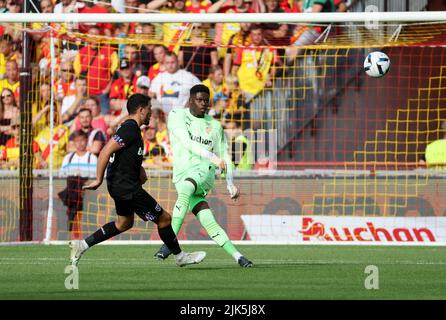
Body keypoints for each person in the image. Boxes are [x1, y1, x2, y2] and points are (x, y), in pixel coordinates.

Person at [69, 93, 206, 267]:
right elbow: (105, 152)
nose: (151, 114)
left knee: (124, 223)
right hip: (126, 187)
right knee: (164, 218)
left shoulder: (129, 128)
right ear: (141, 110)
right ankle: (180, 257)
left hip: (120, 185)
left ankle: (82, 245)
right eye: (149, 110)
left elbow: (126, 155)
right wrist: (98, 179)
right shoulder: (130, 129)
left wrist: (139, 171)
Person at [153, 84, 253, 268]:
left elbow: (225, 157)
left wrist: (230, 183)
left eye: (206, 100)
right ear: (190, 100)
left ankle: (168, 243)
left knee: (186, 188)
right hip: (182, 174)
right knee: (208, 220)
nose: (204, 103)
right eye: (199, 100)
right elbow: (186, 141)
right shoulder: (177, 115)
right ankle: (238, 256)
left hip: (202, 173)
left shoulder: (215, 126)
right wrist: (212, 156)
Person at [59, 130, 98, 238]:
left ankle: (71, 227)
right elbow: (62, 176)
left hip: (87, 194)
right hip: (72, 191)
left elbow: (94, 178)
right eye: (77, 141)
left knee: (76, 186)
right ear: (74, 143)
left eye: (82, 140)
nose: (80, 143)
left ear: (86, 141)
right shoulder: (68, 158)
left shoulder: (92, 158)